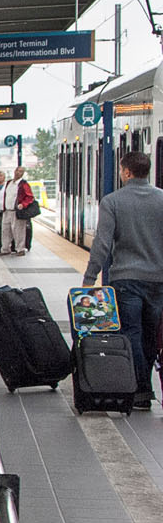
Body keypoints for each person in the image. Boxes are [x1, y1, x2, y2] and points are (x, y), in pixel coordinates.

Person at [82, 149, 163, 411]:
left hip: (125, 279)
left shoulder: (112, 201)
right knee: (151, 336)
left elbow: (102, 244)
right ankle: (144, 384)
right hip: (158, 281)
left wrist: (89, 278)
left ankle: (140, 389)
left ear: (127, 172)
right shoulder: (162, 199)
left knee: (131, 334)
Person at [12, 165, 36, 253]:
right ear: (14, 171)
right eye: (18, 171)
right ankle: (10, 248)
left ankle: (20, 249)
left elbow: (30, 197)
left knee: (19, 230)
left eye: (21, 171)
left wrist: (23, 204)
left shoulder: (24, 184)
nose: (19, 173)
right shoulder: (10, 183)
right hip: (8, 210)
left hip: (19, 211)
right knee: (8, 230)